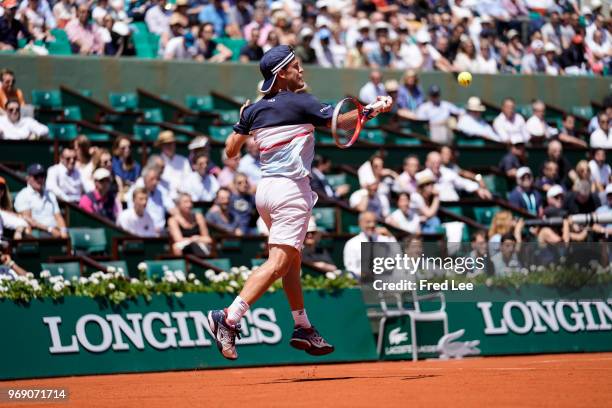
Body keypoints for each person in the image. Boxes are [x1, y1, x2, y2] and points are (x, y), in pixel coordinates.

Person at [208, 45, 391, 361]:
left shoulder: (254, 110)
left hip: (265, 193)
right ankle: (229, 317)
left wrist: (243, 120)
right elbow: (342, 122)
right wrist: (373, 108)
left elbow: (230, 151)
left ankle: (303, 326)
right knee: (279, 262)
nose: (302, 71)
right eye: (296, 66)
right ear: (281, 74)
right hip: (291, 193)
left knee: (291, 260)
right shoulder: (302, 102)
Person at [14, 164, 68, 238]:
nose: (40, 179)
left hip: (55, 231)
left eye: (42, 176)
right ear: (28, 178)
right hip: (38, 232)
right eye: (36, 177)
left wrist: (64, 231)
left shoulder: (50, 194)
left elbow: (58, 217)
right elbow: (29, 221)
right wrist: (49, 229)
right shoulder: (23, 195)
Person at [343, 211, 396, 278]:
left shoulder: (384, 240)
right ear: (360, 223)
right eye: (368, 222)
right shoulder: (352, 244)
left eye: (374, 222)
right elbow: (350, 269)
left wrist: (389, 234)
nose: (372, 225)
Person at [126, 165, 177, 231]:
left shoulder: (161, 190)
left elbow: (172, 208)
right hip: (141, 230)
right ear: (144, 178)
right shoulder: (135, 191)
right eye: (152, 179)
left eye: (157, 179)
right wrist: (150, 228)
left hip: (161, 231)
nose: (155, 182)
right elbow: (133, 214)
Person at [425, 151, 490, 202]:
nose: (436, 165)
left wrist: (478, 189)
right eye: (433, 163)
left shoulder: (447, 172)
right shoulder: (422, 177)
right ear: (427, 163)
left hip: (455, 205)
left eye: (438, 163)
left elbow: (463, 182)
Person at [168, 192, 213, 257]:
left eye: (190, 202)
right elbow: (178, 240)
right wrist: (193, 239)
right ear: (178, 205)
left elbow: (208, 238)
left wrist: (197, 239)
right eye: (185, 202)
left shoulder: (199, 217)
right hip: (184, 249)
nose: (189, 205)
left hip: (200, 246)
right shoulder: (172, 220)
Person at [156, 130, 191, 198]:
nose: (169, 146)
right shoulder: (157, 162)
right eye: (166, 144)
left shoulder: (184, 161)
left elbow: (189, 180)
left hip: (182, 198)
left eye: (171, 143)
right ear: (161, 146)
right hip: (164, 198)